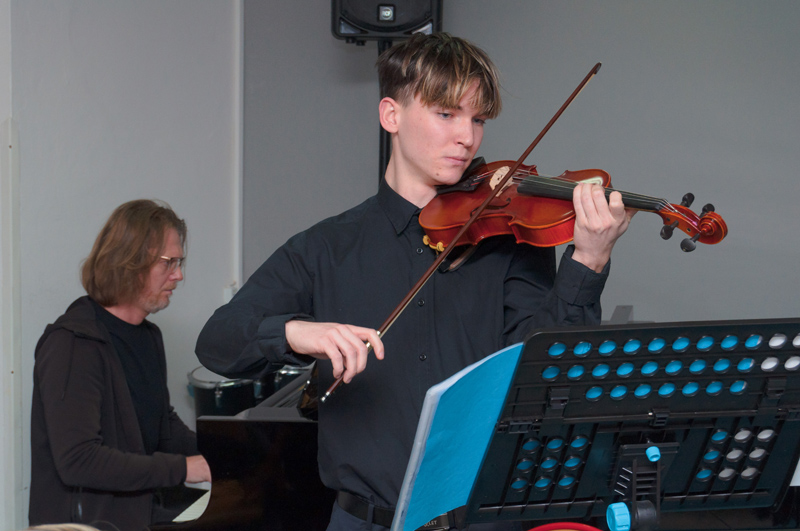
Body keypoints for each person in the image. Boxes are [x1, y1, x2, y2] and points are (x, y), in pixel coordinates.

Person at [196, 33, 632, 531]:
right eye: (447, 114)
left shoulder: (510, 238)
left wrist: (589, 260)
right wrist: (297, 332)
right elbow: (217, 342)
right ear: (391, 115)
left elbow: (548, 376)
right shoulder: (325, 247)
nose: (467, 137)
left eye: (478, 119)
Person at [29, 199, 212, 531]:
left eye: (179, 262)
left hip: (139, 511)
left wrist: (230, 452)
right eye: (169, 263)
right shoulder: (73, 344)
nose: (178, 275)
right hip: (90, 524)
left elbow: (162, 426)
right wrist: (185, 469)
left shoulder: (149, 336)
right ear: (130, 263)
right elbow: (78, 460)